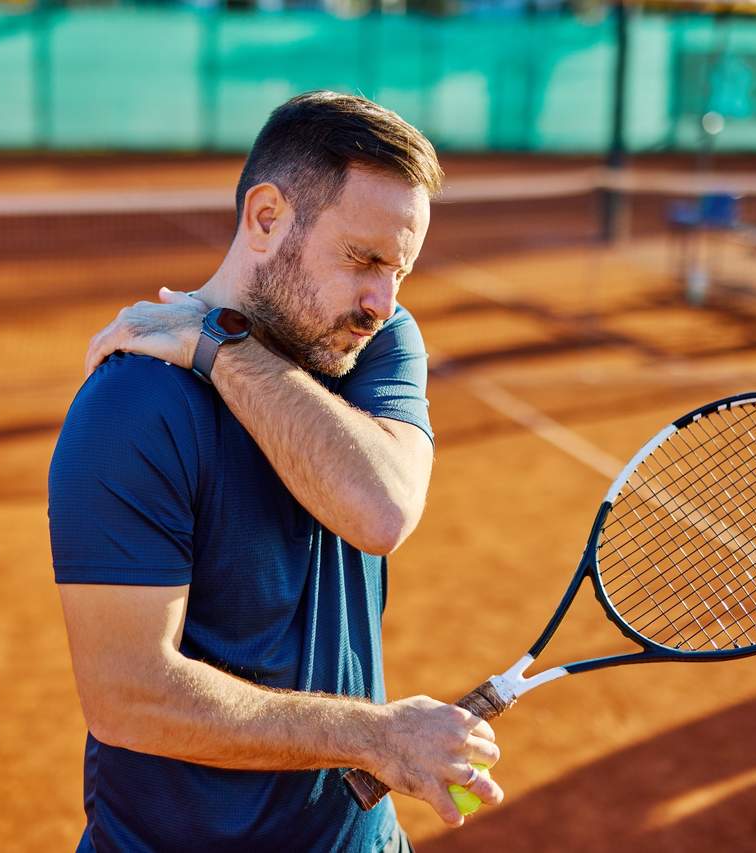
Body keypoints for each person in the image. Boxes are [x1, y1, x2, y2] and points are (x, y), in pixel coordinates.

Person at [49, 90, 503, 852]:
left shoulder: (374, 342)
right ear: (266, 218)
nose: (381, 300)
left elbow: (382, 509)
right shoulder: (133, 404)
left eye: (401, 271)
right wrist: (376, 736)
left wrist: (220, 346)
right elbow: (130, 696)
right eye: (363, 258)